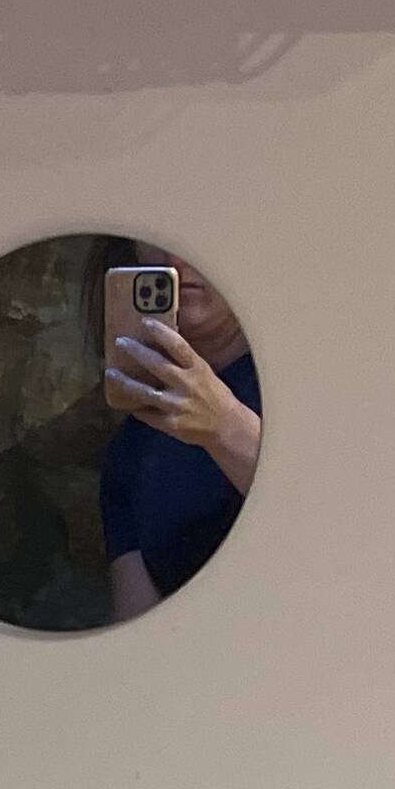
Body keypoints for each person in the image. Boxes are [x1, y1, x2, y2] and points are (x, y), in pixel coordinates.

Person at [100, 247, 261, 622]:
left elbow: (345, 528)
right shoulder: (130, 452)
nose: (177, 261)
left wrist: (225, 426)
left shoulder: (305, 382)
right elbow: (141, 629)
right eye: (157, 240)